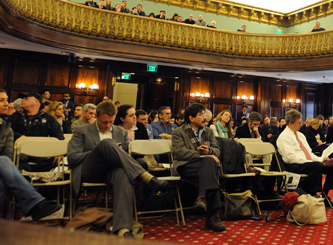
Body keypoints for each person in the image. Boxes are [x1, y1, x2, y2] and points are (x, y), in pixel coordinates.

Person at [68, 101, 168, 238]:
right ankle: (145, 176)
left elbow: (125, 158)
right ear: (96, 116)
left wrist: (115, 152)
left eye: (111, 122)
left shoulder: (120, 131)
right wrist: (98, 152)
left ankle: (122, 229)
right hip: (90, 171)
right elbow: (72, 158)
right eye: (104, 122)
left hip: (112, 172)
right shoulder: (82, 130)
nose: (108, 126)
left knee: (122, 174)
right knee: (106, 144)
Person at [0, 88, 63, 219]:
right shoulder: (15, 118)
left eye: (6, 100)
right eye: (1, 100)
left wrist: (56, 152)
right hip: (15, 161)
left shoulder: (5, 127)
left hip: (36, 161)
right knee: (5, 161)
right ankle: (35, 203)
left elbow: (59, 139)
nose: (7, 104)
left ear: (36, 102)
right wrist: (21, 137)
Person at [172, 103, 225, 232]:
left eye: (205, 114)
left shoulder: (208, 131)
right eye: (201, 114)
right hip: (186, 165)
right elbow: (179, 152)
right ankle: (213, 217)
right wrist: (202, 155)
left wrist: (210, 150)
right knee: (210, 165)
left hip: (205, 167)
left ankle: (201, 197)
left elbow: (217, 150)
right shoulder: (178, 132)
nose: (205, 117)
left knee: (209, 164)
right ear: (191, 118)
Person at [277, 109, 333, 208]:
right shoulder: (283, 137)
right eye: (298, 123)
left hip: (306, 163)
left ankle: (324, 195)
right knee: (316, 166)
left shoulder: (300, 135)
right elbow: (290, 158)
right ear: (290, 123)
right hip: (293, 165)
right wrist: (311, 162)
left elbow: (309, 153)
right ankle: (313, 194)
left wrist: (321, 159)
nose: (301, 125)